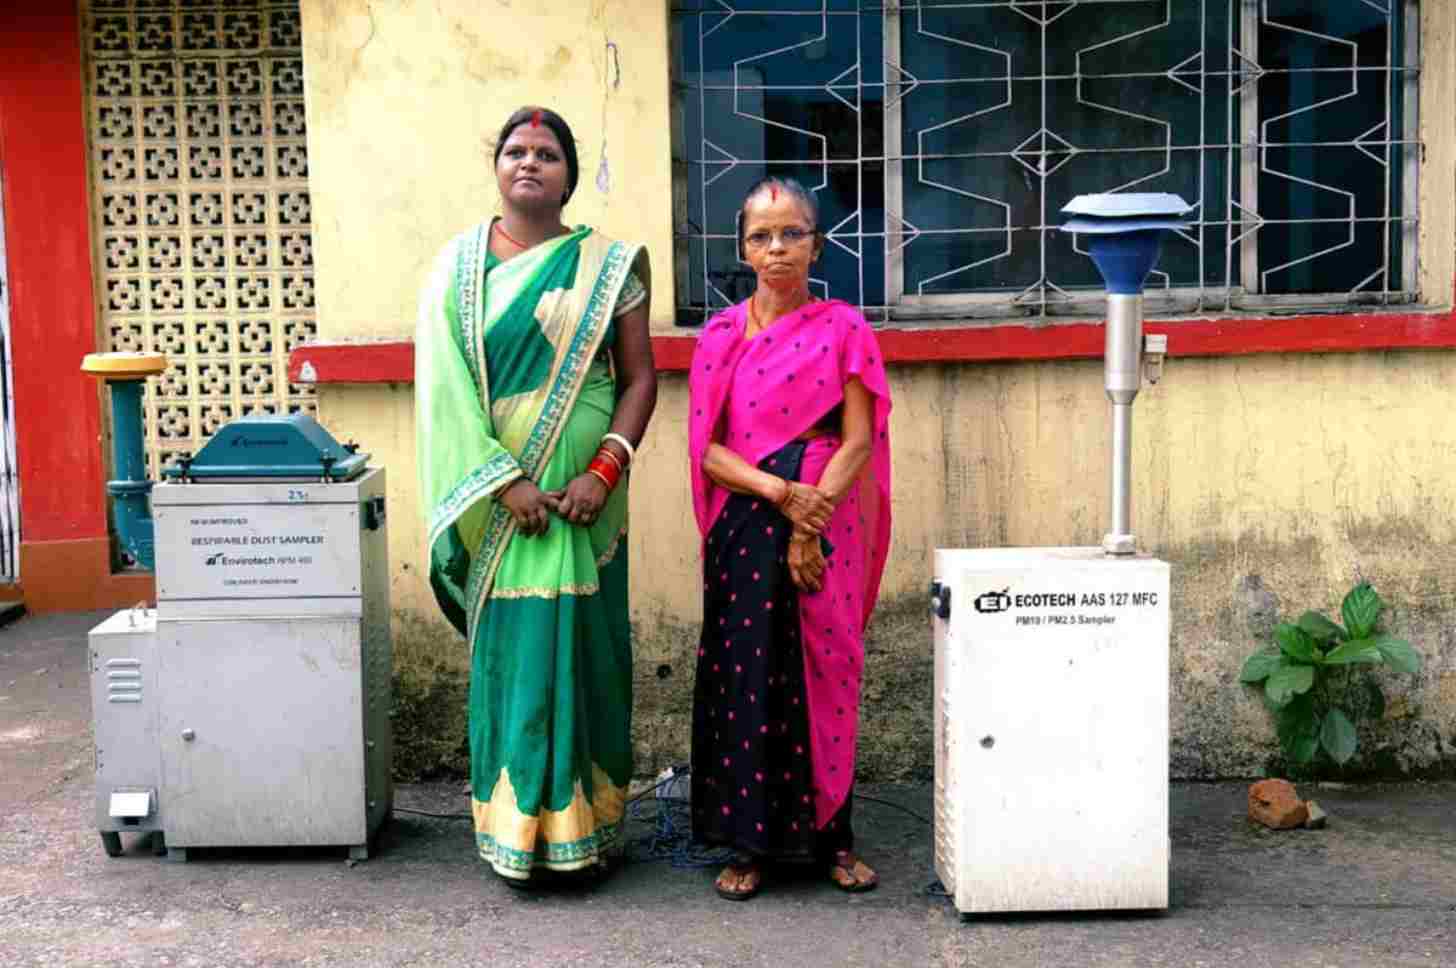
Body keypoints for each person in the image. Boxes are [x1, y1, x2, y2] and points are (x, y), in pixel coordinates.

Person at [415, 106, 656, 885]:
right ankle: (516, 832)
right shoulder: (455, 270)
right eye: (516, 150)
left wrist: (604, 470)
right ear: (497, 167)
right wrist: (506, 481)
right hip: (503, 508)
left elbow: (639, 379)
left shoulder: (609, 266)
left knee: (588, 658)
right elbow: (443, 390)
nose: (529, 163)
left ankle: (587, 830)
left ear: (568, 175)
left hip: (588, 506)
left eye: (547, 154)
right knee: (517, 662)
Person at [687, 176, 893, 900]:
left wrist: (812, 519)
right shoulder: (719, 337)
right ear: (744, 249)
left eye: (791, 233)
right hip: (746, 521)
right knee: (746, 677)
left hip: (829, 521)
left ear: (816, 243)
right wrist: (780, 494)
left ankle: (833, 838)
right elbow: (707, 451)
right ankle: (749, 844)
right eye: (761, 236)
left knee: (827, 669)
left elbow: (859, 440)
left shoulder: (844, 329)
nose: (777, 248)